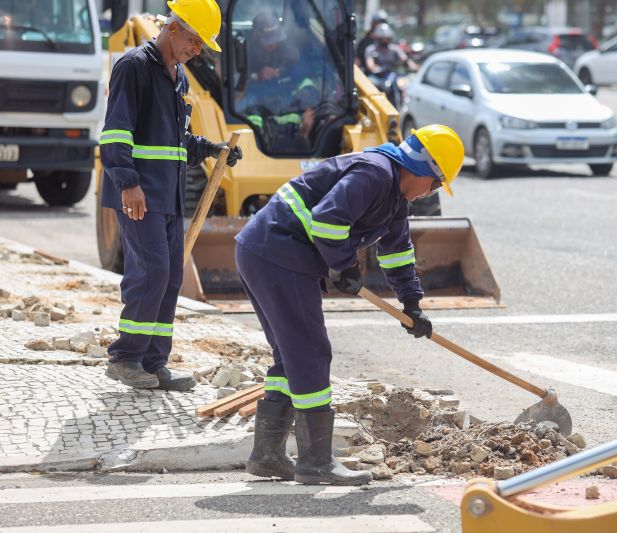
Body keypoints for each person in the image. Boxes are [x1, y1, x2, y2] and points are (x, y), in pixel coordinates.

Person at [236, 125, 464, 485]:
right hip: (278, 253)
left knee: (290, 355)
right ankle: (316, 463)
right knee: (310, 352)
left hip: (265, 252)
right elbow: (327, 218)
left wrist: (411, 304)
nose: (430, 192)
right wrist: (343, 266)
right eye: (435, 184)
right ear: (422, 168)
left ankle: (267, 455)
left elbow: (397, 253)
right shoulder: (374, 173)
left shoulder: (395, 197)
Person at [99, 0, 242, 391]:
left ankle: (153, 361)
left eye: (202, 45)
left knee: (170, 276)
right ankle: (125, 358)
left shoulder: (177, 76)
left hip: (169, 196)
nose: (197, 50)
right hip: (139, 195)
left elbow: (176, 143)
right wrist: (128, 183)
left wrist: (212, 149)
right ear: (173, 28)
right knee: (152, 272)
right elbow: (114, 134)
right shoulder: (134, 67)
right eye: (195, 41)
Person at [244, 11, 319, 151]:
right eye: (268, 40)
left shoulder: (290, 53)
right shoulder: (245, 52)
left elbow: (306, 81)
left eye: (275, 39)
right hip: (256, 108)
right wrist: (257, 76)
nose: (273, 44)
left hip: (288, 111)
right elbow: (234, 86)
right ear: (256, 38)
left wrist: (310, 108)